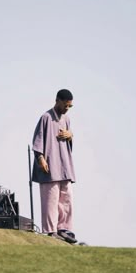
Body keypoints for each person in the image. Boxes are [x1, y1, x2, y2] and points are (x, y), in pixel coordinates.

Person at [32, 89, 77, 244]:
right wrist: (41, 158)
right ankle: (51, 231)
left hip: (64, 165)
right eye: (65, 105)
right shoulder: (45, 117)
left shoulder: (67, 119)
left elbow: (69, 139)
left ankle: (63, 228)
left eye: (69, 106)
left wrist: (70, 135)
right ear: (57, 101)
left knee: (67, 198)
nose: (67, 108)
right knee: (50, 198)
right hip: (49, 166)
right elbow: (37, 141)